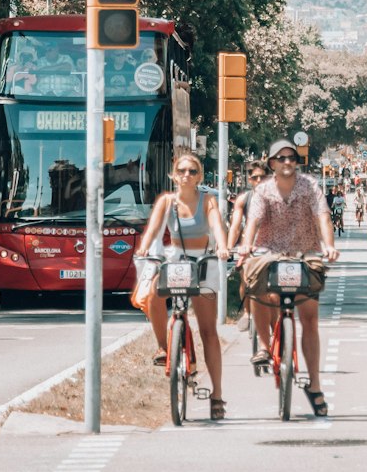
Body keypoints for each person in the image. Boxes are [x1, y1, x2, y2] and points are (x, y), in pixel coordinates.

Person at [236, 139, 339, 417]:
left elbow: (323, 218)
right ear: (271, 163)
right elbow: (253, 223)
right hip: (269, 252)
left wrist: (328, 245)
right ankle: (267, 348)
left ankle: (315, 385)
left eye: (291, 157)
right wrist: (246, 247)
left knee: (310, 318)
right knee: (254, 283)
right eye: (280, 158)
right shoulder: (263, 191)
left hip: (305, 252)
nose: (287, 162)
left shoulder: (310, 187)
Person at [136, 149, 230, 420]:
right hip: (176, 258)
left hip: (203, 261)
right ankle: (164, 347)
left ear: (200, 176)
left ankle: (217, 394)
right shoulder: (167, 202)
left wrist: (222, 247)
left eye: (192, 171)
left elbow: (217, 226)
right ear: (173, 175)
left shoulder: (207, 200)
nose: (187, 175)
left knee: (208, 330)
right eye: (182, 171)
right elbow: (152, 230)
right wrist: (143, 249)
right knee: (154, 295)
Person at [226, 161, 270, 365]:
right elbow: (235, 226)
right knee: (246, 281)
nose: (259, 181)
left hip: (274, 249)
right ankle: (248, 312)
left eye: (263, 177)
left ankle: (279, 333)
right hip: (250, 248)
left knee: (275, 293)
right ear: (249, 179)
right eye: (255, 177)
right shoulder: (244, 199)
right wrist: (228, 247)